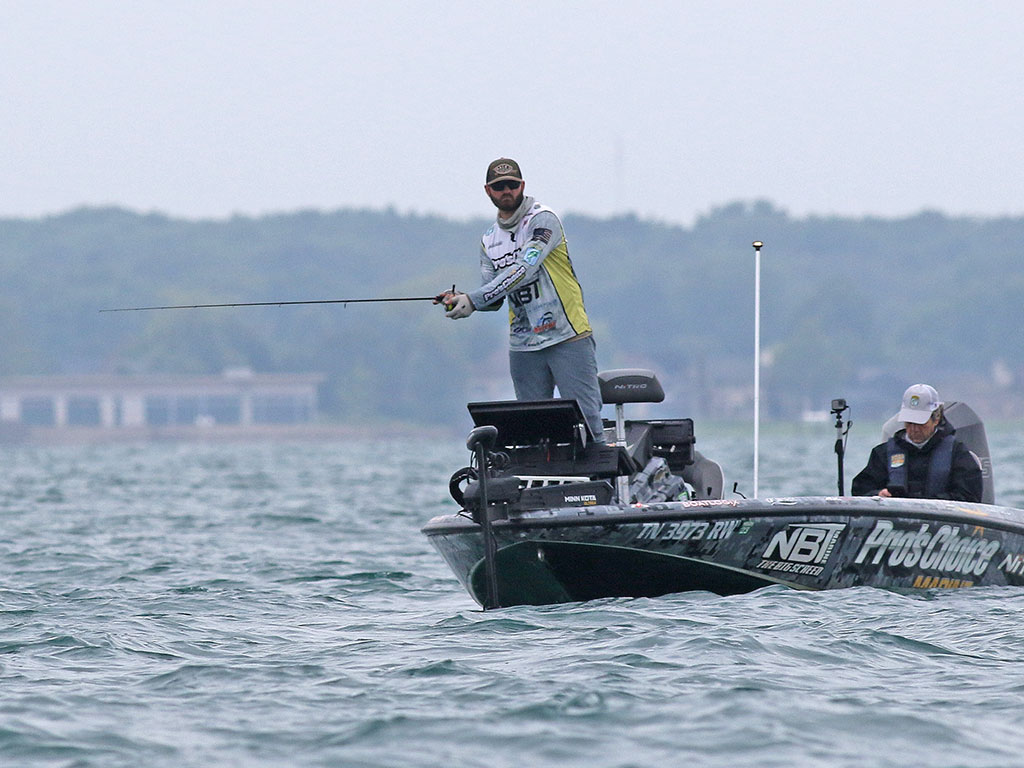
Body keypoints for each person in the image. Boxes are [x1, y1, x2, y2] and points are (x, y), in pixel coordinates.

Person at [435, 157, 604, 441]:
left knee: (587, 424)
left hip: (567, 335)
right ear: (488, 191)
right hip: (524, 344)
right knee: (534, 430)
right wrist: (460, 298)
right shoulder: (489, 240)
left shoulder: (543, 220)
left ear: (522, 186)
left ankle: (604, 466)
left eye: (512, 185)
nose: (507, 191)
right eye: (499, 186)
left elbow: (525, 269)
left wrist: (473, 300)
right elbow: (492, 298)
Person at [851, 383, 983, 502]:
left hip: (940, 517)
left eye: (920, 423)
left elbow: (969, 496)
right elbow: (860, 490)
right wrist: (878, 494)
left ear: (936, 418)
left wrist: (931, 502)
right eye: (909, 422)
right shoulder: (882, 454)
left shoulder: (957, 454)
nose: (914, 429)